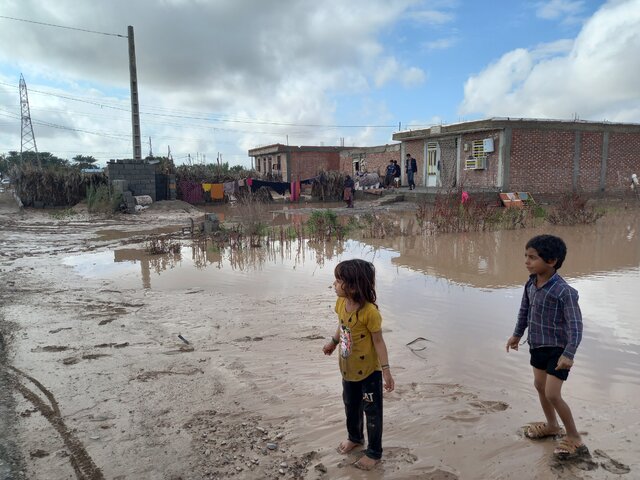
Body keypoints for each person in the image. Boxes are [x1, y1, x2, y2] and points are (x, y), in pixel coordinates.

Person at [506, 235, 588, 460]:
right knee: (540, 386)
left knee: (553, 393)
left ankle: (574, 436)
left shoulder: (564, 292)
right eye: (526, 256)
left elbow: (576, 325)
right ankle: (552, 425)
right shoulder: (531, 284)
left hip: (559, 351)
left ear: (551, 261)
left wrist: (569, 354)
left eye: (532, 258)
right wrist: (516, 334)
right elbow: (524, 311)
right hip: (538, 345)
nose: (527, 262)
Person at [323, 259, 394, 470]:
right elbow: (342, 326)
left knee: (372, 412)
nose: (334, 284)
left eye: (338, 281)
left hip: (369, 374)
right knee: (350, 406)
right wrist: (333, 342)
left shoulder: (370, 312)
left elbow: (379, 342)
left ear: (353, 286)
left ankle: (374, 452)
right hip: (348, 369)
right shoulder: (341, 304)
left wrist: (386, 371)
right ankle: (354, 437)